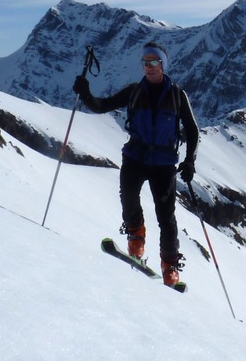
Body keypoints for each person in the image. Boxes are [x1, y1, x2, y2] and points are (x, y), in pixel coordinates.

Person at [73, 41, 199, 286]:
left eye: (154, 61)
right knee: (128, 197)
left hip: (163, 162)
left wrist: (189, 161)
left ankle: (170, 266)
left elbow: (192, 130)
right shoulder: (134, 91)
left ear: (163, 64)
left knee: (166, 216)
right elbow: (102, 106)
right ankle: (136, 236)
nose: (149, 66)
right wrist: (85, 93)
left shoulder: (177, 95)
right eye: (145, 62)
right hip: (135, 156)